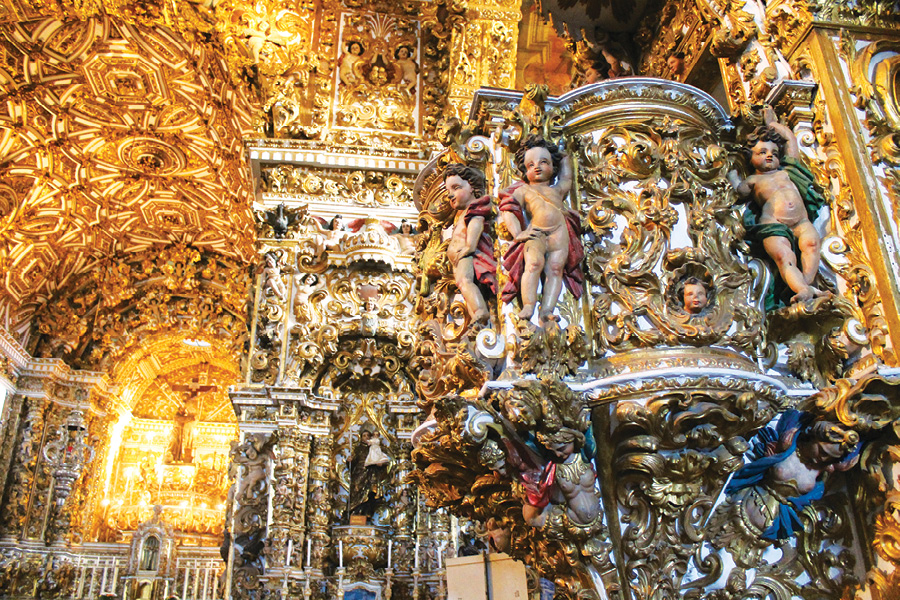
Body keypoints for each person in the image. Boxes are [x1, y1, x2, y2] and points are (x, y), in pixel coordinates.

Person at [728, 107, 826, 304]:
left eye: (773, 152)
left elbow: (790, 140)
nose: (769, 155)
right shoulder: (754, 180)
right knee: (784, 256)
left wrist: (772, 124)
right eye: (762, 152)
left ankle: (805, 286)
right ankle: (800, 288)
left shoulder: (787, 170)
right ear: (751, 157)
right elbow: (740, 191)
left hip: (801, 221)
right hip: (773, 223)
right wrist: (731, 174)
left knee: (812, 243)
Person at [500, 135, 583, 322]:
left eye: (543, 162)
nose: (536, 166)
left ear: (553, 167)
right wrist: (519, 233)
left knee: (555, 269)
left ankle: (546, 310)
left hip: (559, 232)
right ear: (524, 170)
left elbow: (567, 178)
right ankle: (529, 305)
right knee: (534, 263)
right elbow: (508, 210)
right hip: (536, 232)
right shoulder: (524, 190)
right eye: (530, 165)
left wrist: (565, 157)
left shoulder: (557, 190)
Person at [444, 164, 497, 324]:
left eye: (456, 188)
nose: (450, 195)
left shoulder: (474, 208)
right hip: (459, 257)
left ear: (472, 187)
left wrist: (470, 246)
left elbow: (476, 224)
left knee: (464, 281)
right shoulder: (462, 214)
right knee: (464, 283)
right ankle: (477, 313)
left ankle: (480, 311)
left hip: (465, 254)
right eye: (448, 191)